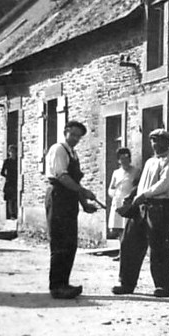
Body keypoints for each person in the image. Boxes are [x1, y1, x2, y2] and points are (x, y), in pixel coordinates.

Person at [112, 129, 169, 298]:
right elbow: (143, 184)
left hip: (159, 207)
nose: (155, 144)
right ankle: (126, 283)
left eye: (159, 140)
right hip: (141, 207)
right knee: (129, 243)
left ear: (167, 142)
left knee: (159, 247)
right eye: (152, 141)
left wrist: (144, 195)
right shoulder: (150, 162)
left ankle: (163, 286)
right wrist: (133, 194)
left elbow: (165, 184)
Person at [45, 120, 98, 299]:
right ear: (65, 132)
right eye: (73, 134)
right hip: (58, 196)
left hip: (69, 199)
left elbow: (75, 183)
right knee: (60, 242)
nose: (75, 139)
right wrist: (83, 191)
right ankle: (56, 286)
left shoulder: (73, 153)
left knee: (70, 243)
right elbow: (63, 177)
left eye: (78, 137)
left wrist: (84, 204)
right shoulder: (59, 149)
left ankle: (64, 283)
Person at [107, 147, 140, 240]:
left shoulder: (136, 171)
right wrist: (114, 196)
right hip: (118, 201)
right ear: (118, 160)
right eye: (122, 159)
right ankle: (121, 251)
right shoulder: (116, 173)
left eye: (127, 158)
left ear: (130, 159)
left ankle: (129, 251)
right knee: (119, 228)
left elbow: (138, 187)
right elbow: (111, 188)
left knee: (129, 226)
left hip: (129, 202)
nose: (125, 161)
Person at [1, 145, 18, 220]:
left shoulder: (17, 161)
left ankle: (15, 213)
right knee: (10, 199)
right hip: (9, 182)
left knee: (15, 198)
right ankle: (12, 214)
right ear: (8, 153)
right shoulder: (7, 161)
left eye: (14, 152)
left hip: (16, 181)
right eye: (11, 152)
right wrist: (7, 177)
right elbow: (2, 172)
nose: (12, 154)